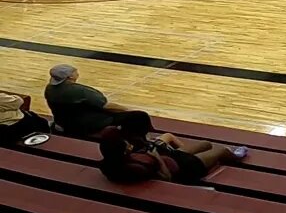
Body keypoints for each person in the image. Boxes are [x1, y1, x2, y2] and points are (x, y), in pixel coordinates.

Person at [98, 115, 245, 185]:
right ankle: (236, 157)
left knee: (205, 144)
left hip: (173, 156)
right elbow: (166, 178)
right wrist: (156, 157)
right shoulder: (136, 165)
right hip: (186, 167)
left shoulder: (115, 154)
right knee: (220, 150)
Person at [44, 64, 150, 139]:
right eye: (75, 71)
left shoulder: (49, 89)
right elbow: (106, 106)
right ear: (70, 76)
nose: (77, 72)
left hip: (65, 123)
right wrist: (128, 110)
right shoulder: (80, 91)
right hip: (91, 124)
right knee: (140, 116)